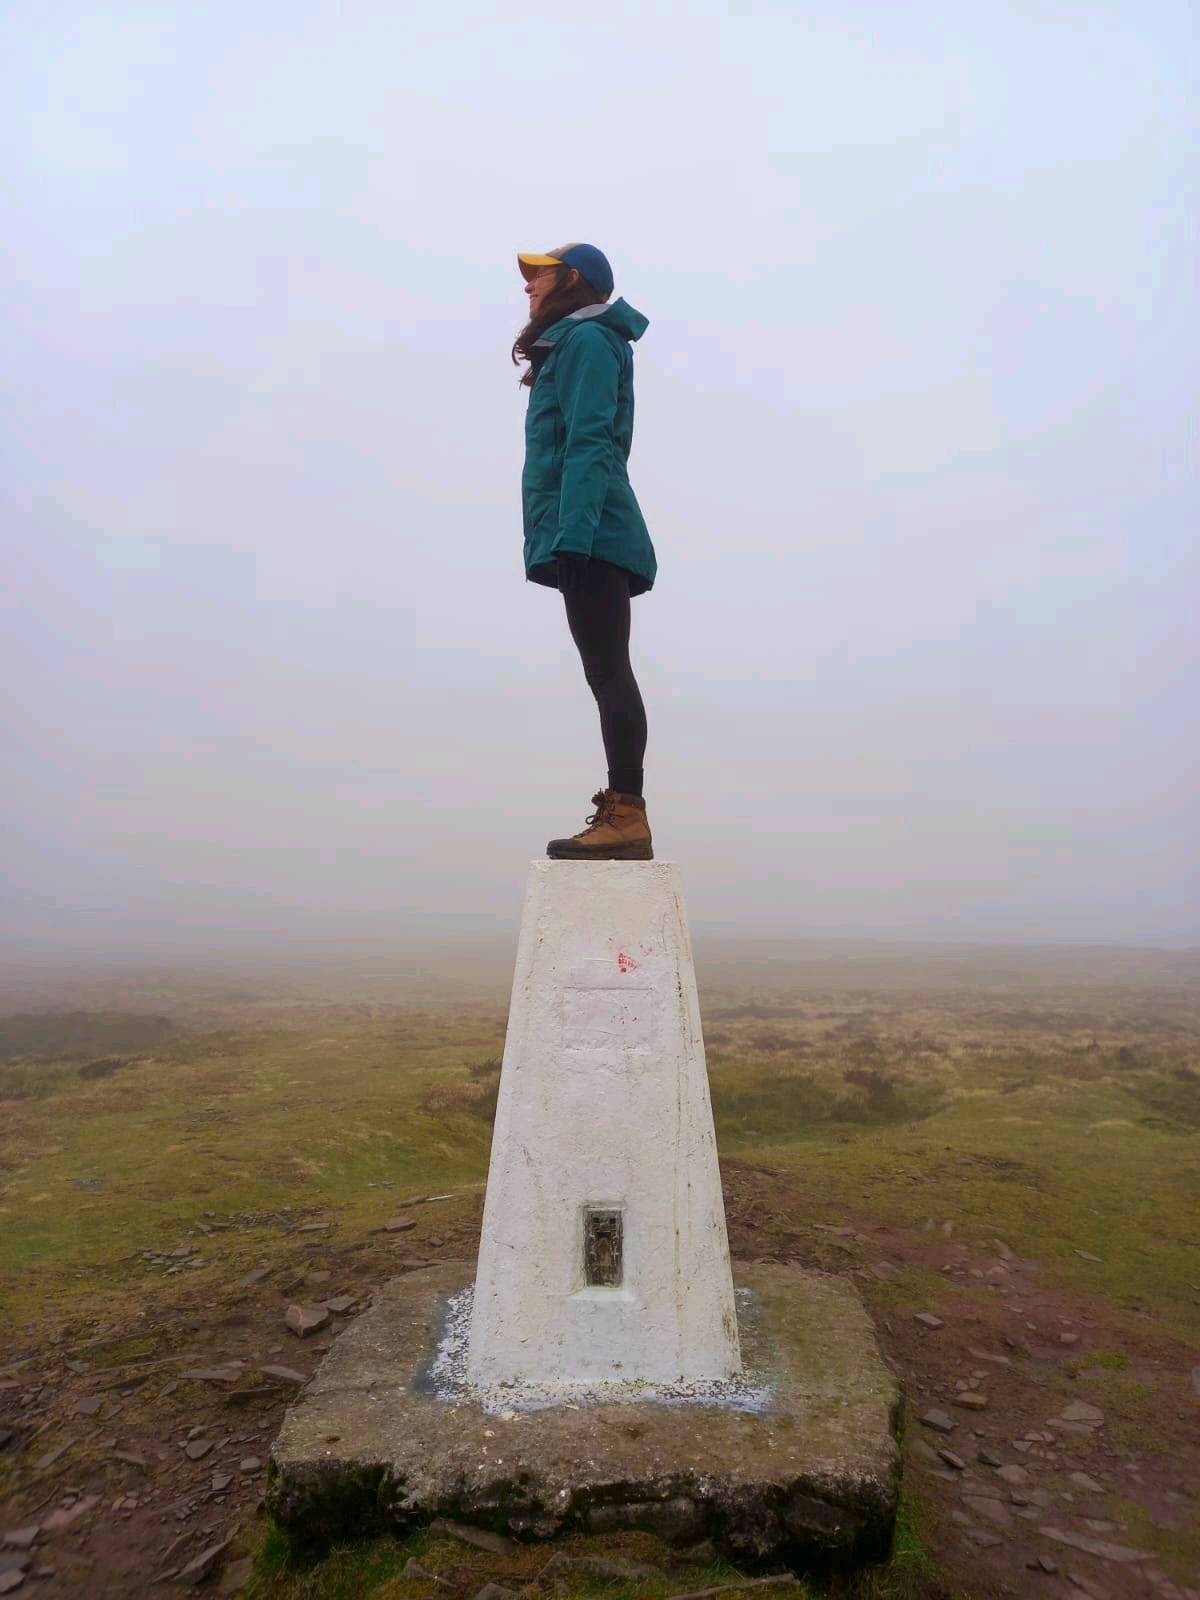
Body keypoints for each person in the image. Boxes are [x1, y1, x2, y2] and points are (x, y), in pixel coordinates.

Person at [513, 243, 657, 861]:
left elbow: (592, 440)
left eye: (539, 276)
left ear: (572, 279)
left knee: (609, 671)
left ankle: (626, 815)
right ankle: (624, 811)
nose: (528, 287)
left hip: (593, 528)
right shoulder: (574, 344)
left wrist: (573, 534)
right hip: (586, 527)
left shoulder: (590, 341)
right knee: (605, 671)